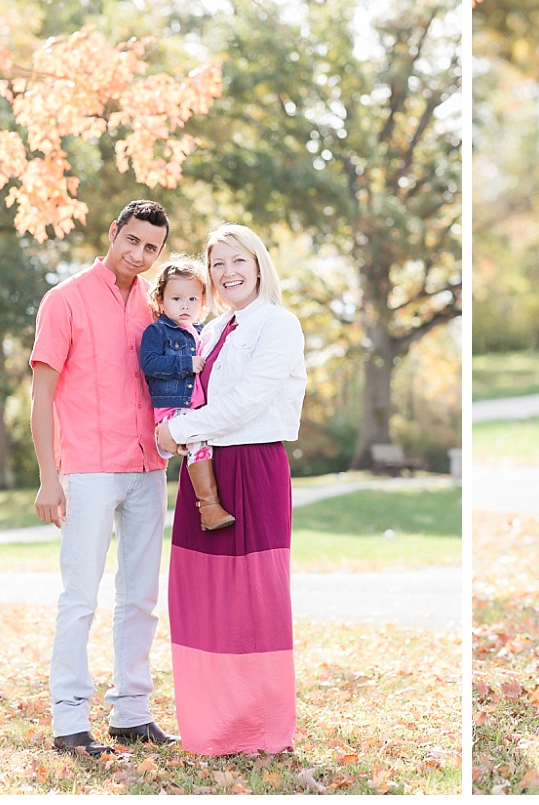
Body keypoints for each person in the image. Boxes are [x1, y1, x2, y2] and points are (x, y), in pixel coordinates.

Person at [30, 200, 180, 757]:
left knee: (140, 597)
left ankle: (132, 713)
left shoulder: (156, 306)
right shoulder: (64, 300)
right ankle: (70, 722)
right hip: (88, 470)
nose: (138, 254)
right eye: (132, 240)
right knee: (80, 599)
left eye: (151, 248)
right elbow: (42, 396)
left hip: (147, 468)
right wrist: (50, 477)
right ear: (112, 232)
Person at [154, 224, 307, 755]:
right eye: (217, 264)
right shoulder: (214, 330)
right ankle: (212, 727)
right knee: (201, 595)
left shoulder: (279, 326)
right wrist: (176, 426)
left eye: (237, 260)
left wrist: (178, 431)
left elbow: (249, 402)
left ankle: (261, 730)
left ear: (259, 264)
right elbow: (192, 394)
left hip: (254, 467)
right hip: (206, 472)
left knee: (254, 598)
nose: (228, 273)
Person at [139, 258, 235, 532]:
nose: (185, 305)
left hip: (195, 406)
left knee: (206, 443)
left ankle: (210, 506)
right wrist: (185, 363)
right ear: (160, 299)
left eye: (193, 298)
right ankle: (208, 507)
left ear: (203, 301)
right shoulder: (157, 331)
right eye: (177, 298)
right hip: (172, 406)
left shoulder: (203, 332)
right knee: (198, 443)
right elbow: (149, 363)